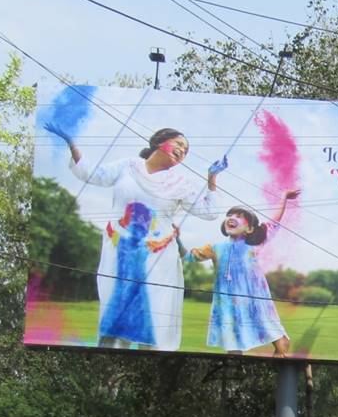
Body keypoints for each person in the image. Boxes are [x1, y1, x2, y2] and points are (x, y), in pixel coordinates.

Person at [44, 123, 227, 351]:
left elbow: (209, 212)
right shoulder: (128, 166)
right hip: (120, 253)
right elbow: (91, 173)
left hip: (158, 261)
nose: (182, 150)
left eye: (186, 150)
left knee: (151, 316)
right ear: (160, 141)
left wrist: (212, 177)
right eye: (179, 143)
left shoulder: (180, 184)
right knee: (116, 312)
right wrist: (71, 142)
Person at [190, 188, 301, 357]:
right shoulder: (215, 248)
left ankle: (280, 343)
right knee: (231, 332)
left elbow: (274, 221)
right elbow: (190, 256)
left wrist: (284, 198)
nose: (233, 218)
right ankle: (235, 359)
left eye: (240, 216)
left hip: (253, 296)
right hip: (227, 299)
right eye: (230, 215)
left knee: (264, 320)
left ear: (249, 229)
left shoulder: (254, 245)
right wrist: (173, 241)